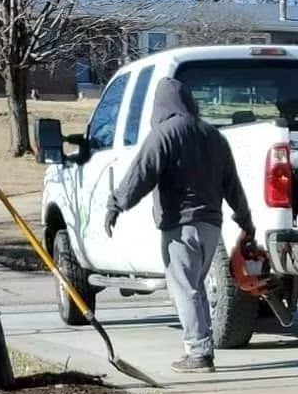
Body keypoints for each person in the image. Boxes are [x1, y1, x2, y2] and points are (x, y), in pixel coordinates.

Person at [104, 76, 255, 373]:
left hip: (180, 225)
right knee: (195, 288)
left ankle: (198, 352)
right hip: (212, 227)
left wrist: (116, 204)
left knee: (184, 290)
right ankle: (201, 348)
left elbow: (141, 174)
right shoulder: (214, 136)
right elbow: (232, 186)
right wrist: (245, 219)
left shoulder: (164, 134)